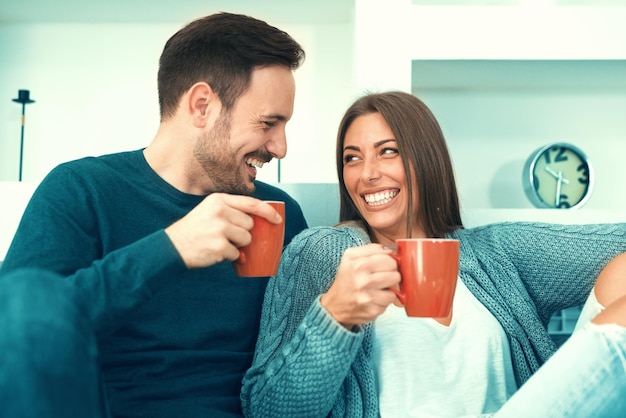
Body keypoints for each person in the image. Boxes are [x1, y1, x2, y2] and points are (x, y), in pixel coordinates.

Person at [241, 91, 626, 417]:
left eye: (387, 152)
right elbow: (268, 409)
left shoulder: (495, 253)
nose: (367, 174)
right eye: (352, 158)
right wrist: (336, 316)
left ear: (426, 159)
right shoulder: (325, 254)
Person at [0, 12, 307, 418]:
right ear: (202, 106)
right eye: (268, 123)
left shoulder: (278, 215)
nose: (281, 147)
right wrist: (169, 249)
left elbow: (300, 363)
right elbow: (17, 331)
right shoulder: (81, 189)